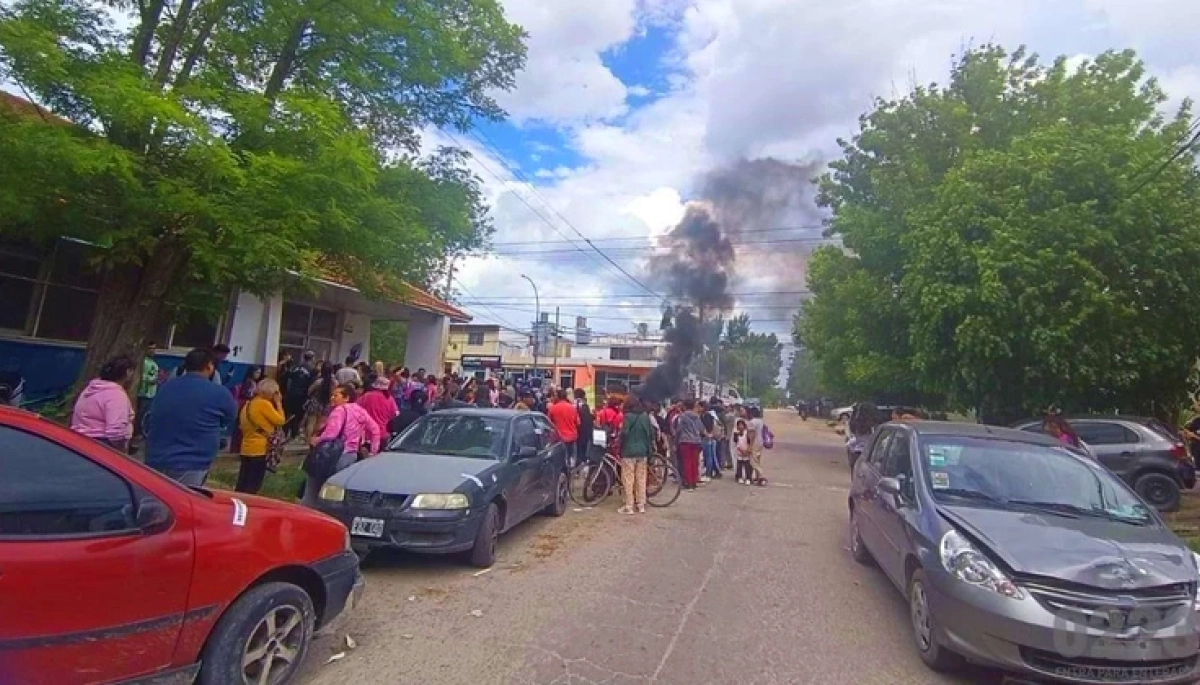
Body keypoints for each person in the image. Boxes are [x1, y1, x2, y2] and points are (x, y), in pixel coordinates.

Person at [144, 348, 238, 486]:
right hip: (192, 461)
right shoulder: (219, 393)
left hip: (155, 457)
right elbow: (230, 418)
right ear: (209, 366)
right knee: (183, 504)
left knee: (155, 503)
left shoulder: (167, 387)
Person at [301, 384, 382, 507]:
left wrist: (316, 440)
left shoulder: (339, 410)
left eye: (336, 395)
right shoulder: (361, 411)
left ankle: (308, 511)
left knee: (313, 487)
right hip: (351, 455)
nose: (332, 398)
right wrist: (373, 452)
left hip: (332, 455)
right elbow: (375, 430)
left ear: (347, 398)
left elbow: (331, 434)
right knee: (338, 491)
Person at [71, 355, 137, 453]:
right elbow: (116, 432)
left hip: (79, 441)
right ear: (128, 372)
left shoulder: (90, 389)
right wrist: (122, 450)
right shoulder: (116, 394)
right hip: (102, 446)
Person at [236, 378, 286, 494]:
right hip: (260, 449)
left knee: (242, 483)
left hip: (246, 448)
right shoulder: (264, 404)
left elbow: (242, 426)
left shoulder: (248, 404)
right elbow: (281, 420)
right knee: (253, 485)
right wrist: (279, 403)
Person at [618, 397, 654, 514]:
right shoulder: (645, 416)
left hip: (628, 451)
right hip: (642, 451)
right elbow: (650, 434)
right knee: (641, 478)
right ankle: (641, 505)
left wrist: (619, 444)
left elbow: (624, 433)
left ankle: (629, 506)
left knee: (628, 479)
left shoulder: (627, 417)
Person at [282, 351, 315, 439]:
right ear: (312, 358)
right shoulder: (312, 370)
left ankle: (285, 432)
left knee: (288, 413)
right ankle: (294, 433)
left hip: (290, 394)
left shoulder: (295, 367)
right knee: (298, 415)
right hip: (302, 396)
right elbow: (311, 384)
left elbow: (286, 379)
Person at [358, 373, 399, 437]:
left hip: (367, 434)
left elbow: (355, 410)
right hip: (382, 433)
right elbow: (395, 414)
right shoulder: (389, 398)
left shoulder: (366, 396)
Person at [134, 341, 160, 443]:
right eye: (150, 348)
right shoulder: (143, 362)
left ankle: (141, 432)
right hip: (143, 392)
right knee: (141, 414)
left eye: (154, 348)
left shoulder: (153, 363)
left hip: (151, 393)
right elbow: (142, 375)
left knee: (146, 414)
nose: (153, 351)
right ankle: (137, 433)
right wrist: (151, 380)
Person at [675, 399, 704, 490]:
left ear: (684, 406)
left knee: (686, 462)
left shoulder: (682, 417)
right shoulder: (697, 417)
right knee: (695, 462)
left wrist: (676, 440)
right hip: (696, 441)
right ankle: (694, 482)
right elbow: (701, 429)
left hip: (685, 441)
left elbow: (679, 430)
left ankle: (688, 482)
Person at [547, 389, 580, 466]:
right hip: (572, 437)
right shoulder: (572, 408)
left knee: (561, 461)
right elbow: (578, 422)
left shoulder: (553, 408)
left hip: (559, 438)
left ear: (558, 397)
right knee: (571, 459)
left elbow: (548, 424)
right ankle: (571, 471)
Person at [746, 405, 767, 486]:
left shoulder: (752, 422)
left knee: (753, 461)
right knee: (757, 459)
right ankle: (757, 477)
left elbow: (752, 434)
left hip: (755, 442)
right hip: (760, 442)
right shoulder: (760, 421)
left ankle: (761, 475)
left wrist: (750, 445)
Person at [574, 388, 594, 467]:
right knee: (584, 449)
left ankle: (578, 465)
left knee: (578, 450)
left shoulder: (575, 404)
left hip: (578, 430)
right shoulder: (585, 405)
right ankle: (582, 463)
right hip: (586, 431)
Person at [732, 418, 753, 484]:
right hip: (739, 452)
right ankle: (740, 477)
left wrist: (747, 451)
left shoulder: (747, 434)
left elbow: (749, 442)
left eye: (741, 425)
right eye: (739, 425)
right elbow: (736, 444)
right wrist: (741, 451)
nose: (740, 426)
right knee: (739, 465)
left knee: (747, 466)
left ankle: (748, 478)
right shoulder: (736, 434)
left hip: (746, 452)